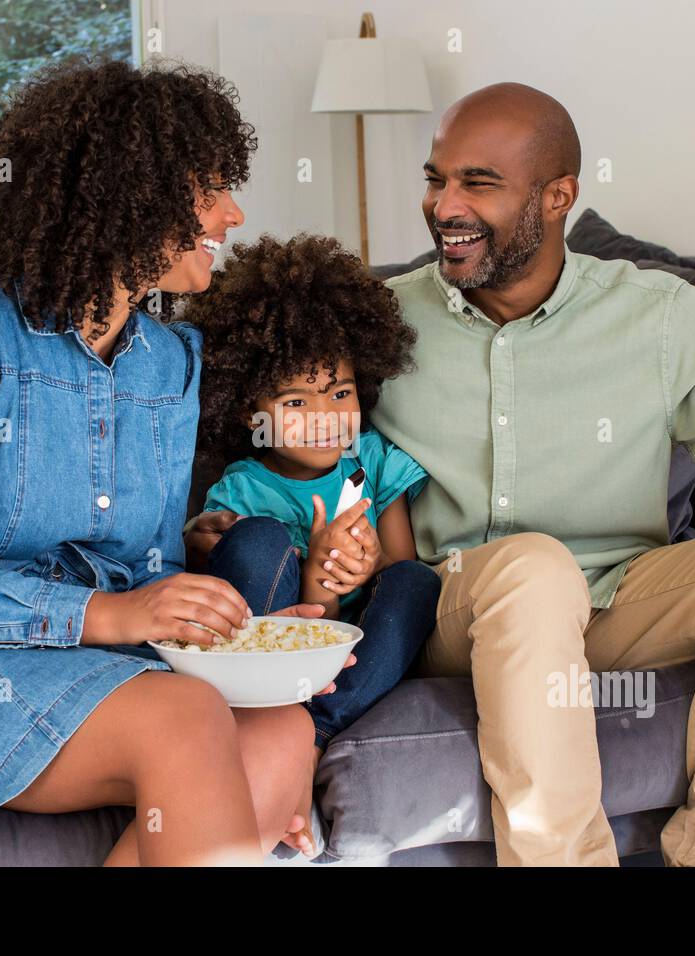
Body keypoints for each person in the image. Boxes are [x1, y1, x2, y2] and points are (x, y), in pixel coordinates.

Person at [189, 82, 695, 866]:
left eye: (479, 183)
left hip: (621, 595)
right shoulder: (378, 319)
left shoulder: (659, 316)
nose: (444, 206)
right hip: (454, 606)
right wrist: (222, 524)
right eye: (436, 178)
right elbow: (290, 433)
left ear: (559, 195)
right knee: (533, 567)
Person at [0, 57, 348, 866]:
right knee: (189, 721)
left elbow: (146, 576)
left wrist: (240, 637)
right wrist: (117, 619)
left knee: (282, 731)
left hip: (83, 656)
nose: (233, 214)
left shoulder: (169, 364)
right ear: (129, 194)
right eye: (210, 188)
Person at [183, 234, 441, 856]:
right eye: (296, 400)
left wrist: (363, 561)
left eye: (341, 394)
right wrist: (310, 570)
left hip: (347, 660)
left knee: (418, 584)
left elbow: (400, 567)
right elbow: (218, 577)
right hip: (268, 648)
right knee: (258, 539)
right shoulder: (241, 486)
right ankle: (266, 715)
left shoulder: (372, 464)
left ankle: (310, 733)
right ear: (251, 411)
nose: (326, 416)